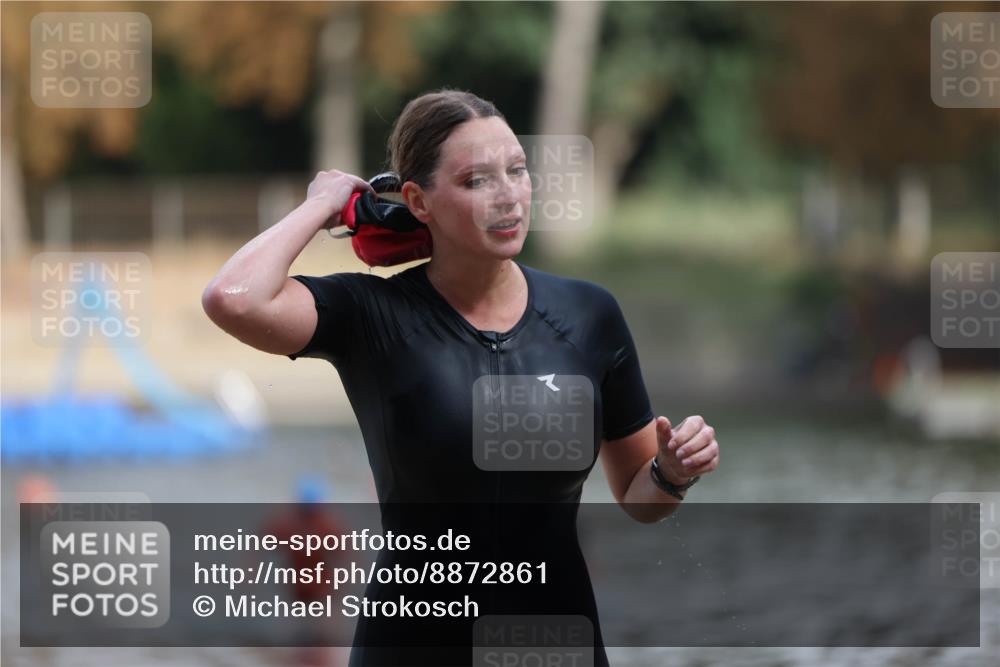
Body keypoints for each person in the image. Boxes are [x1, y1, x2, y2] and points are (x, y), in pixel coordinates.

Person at [202, 88, 721, 666]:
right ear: (419, 202)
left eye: (517, 172)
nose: (509, 197)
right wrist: (322, 205)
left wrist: (672, 474)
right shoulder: (371, 316)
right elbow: (233, 298)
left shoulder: (588, 316)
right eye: (477, 180)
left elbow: (637, 496)